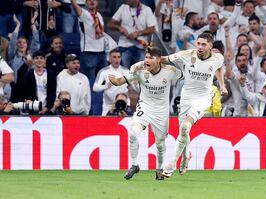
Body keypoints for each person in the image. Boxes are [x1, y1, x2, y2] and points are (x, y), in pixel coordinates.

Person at [108, 47, 183, 180]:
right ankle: (134, 165)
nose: (147, 60)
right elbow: (120, 81)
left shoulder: (170, 71)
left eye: (150, 58)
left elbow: (187, 76)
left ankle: (159, 169)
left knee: (160, 144)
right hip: (144, 107)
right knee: (133, 132)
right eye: (146, 57)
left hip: (161, 112)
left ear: (159, 60)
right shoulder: (139, 70)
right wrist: (114, 80)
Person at [160, 32, 228, 177]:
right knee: (183, 131)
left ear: (210, 46)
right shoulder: (186, 54)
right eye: (198, 43)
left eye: (204, 44)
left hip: (203, 98)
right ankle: (186, 158)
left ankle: (171, 165)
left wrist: (222, 86)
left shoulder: (217, 58)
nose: (200, 47)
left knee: (185, 126)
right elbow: (166, 59)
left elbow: (219, 68)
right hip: (186, 97)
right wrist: (152, 59)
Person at [107, 0, 157, 69]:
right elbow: (110, 24)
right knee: (123, 73)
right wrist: (119, 28)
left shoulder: (146, 9)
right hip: (124, 46)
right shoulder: (123, 7)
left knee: (141, 73)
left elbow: (152, 28)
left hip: (140, 47)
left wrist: (138, 33)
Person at [93, 49, 129, 116]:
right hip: (108, 106)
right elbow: (95, 88)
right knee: (105, 126)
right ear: (109, 59)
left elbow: (136, 88)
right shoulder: (103, 71)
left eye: (118, 57)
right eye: (114, 57)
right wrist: (105, 86)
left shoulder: (127, 71)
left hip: (124, 105)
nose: (117, 59)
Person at [21, 50, 57, 115]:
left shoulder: (51, 74)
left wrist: (46, 107)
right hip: (32, 108)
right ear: (33, 60)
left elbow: (53, 93)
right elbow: (24, 92)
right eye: (37, 58)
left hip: (47, 109)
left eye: (41, 58)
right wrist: (31, 103)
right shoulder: (28, 75)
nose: (39, 60)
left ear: (45, 60)